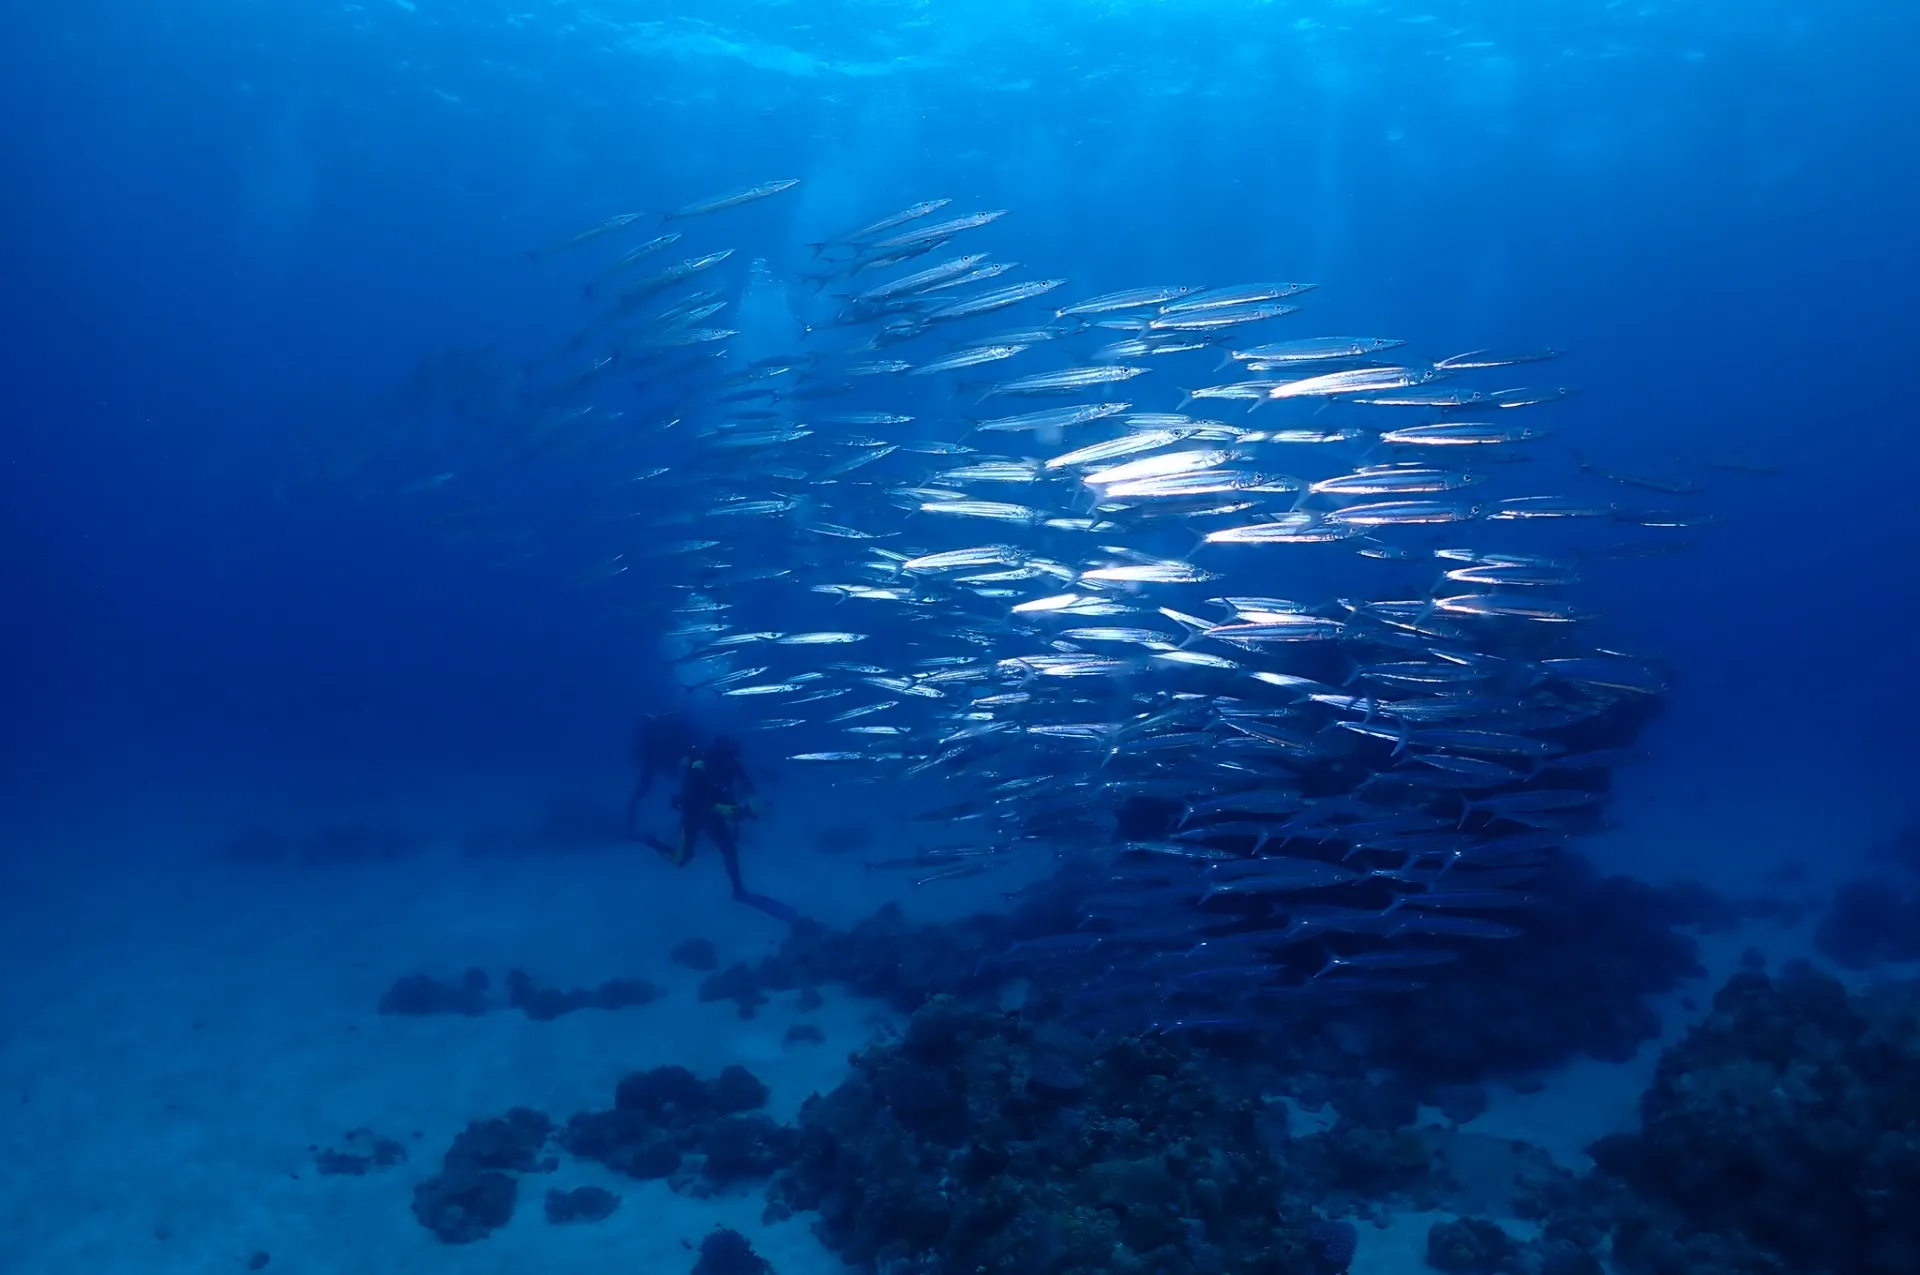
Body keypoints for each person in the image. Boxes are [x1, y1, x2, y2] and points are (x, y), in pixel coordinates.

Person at [644, 735, 759, 897]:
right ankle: (652, 842)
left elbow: (749, 787)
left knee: (730, 850)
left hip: (714, 816)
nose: (731, 760)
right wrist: (720, 807)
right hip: (693, 814)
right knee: (680, 860)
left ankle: (738, 890)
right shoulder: (701, 765)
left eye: (733, 756)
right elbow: (691, 798)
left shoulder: (733, 764)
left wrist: (752, 804)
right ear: (720, 753)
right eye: (728, 755)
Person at [625, 709, 696, 839]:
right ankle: (630, 823)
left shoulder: (674, 731)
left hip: (664, 761)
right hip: (657, 761)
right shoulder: (655, 731)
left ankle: (691, 822)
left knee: (689, 788)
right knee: (643, 790)